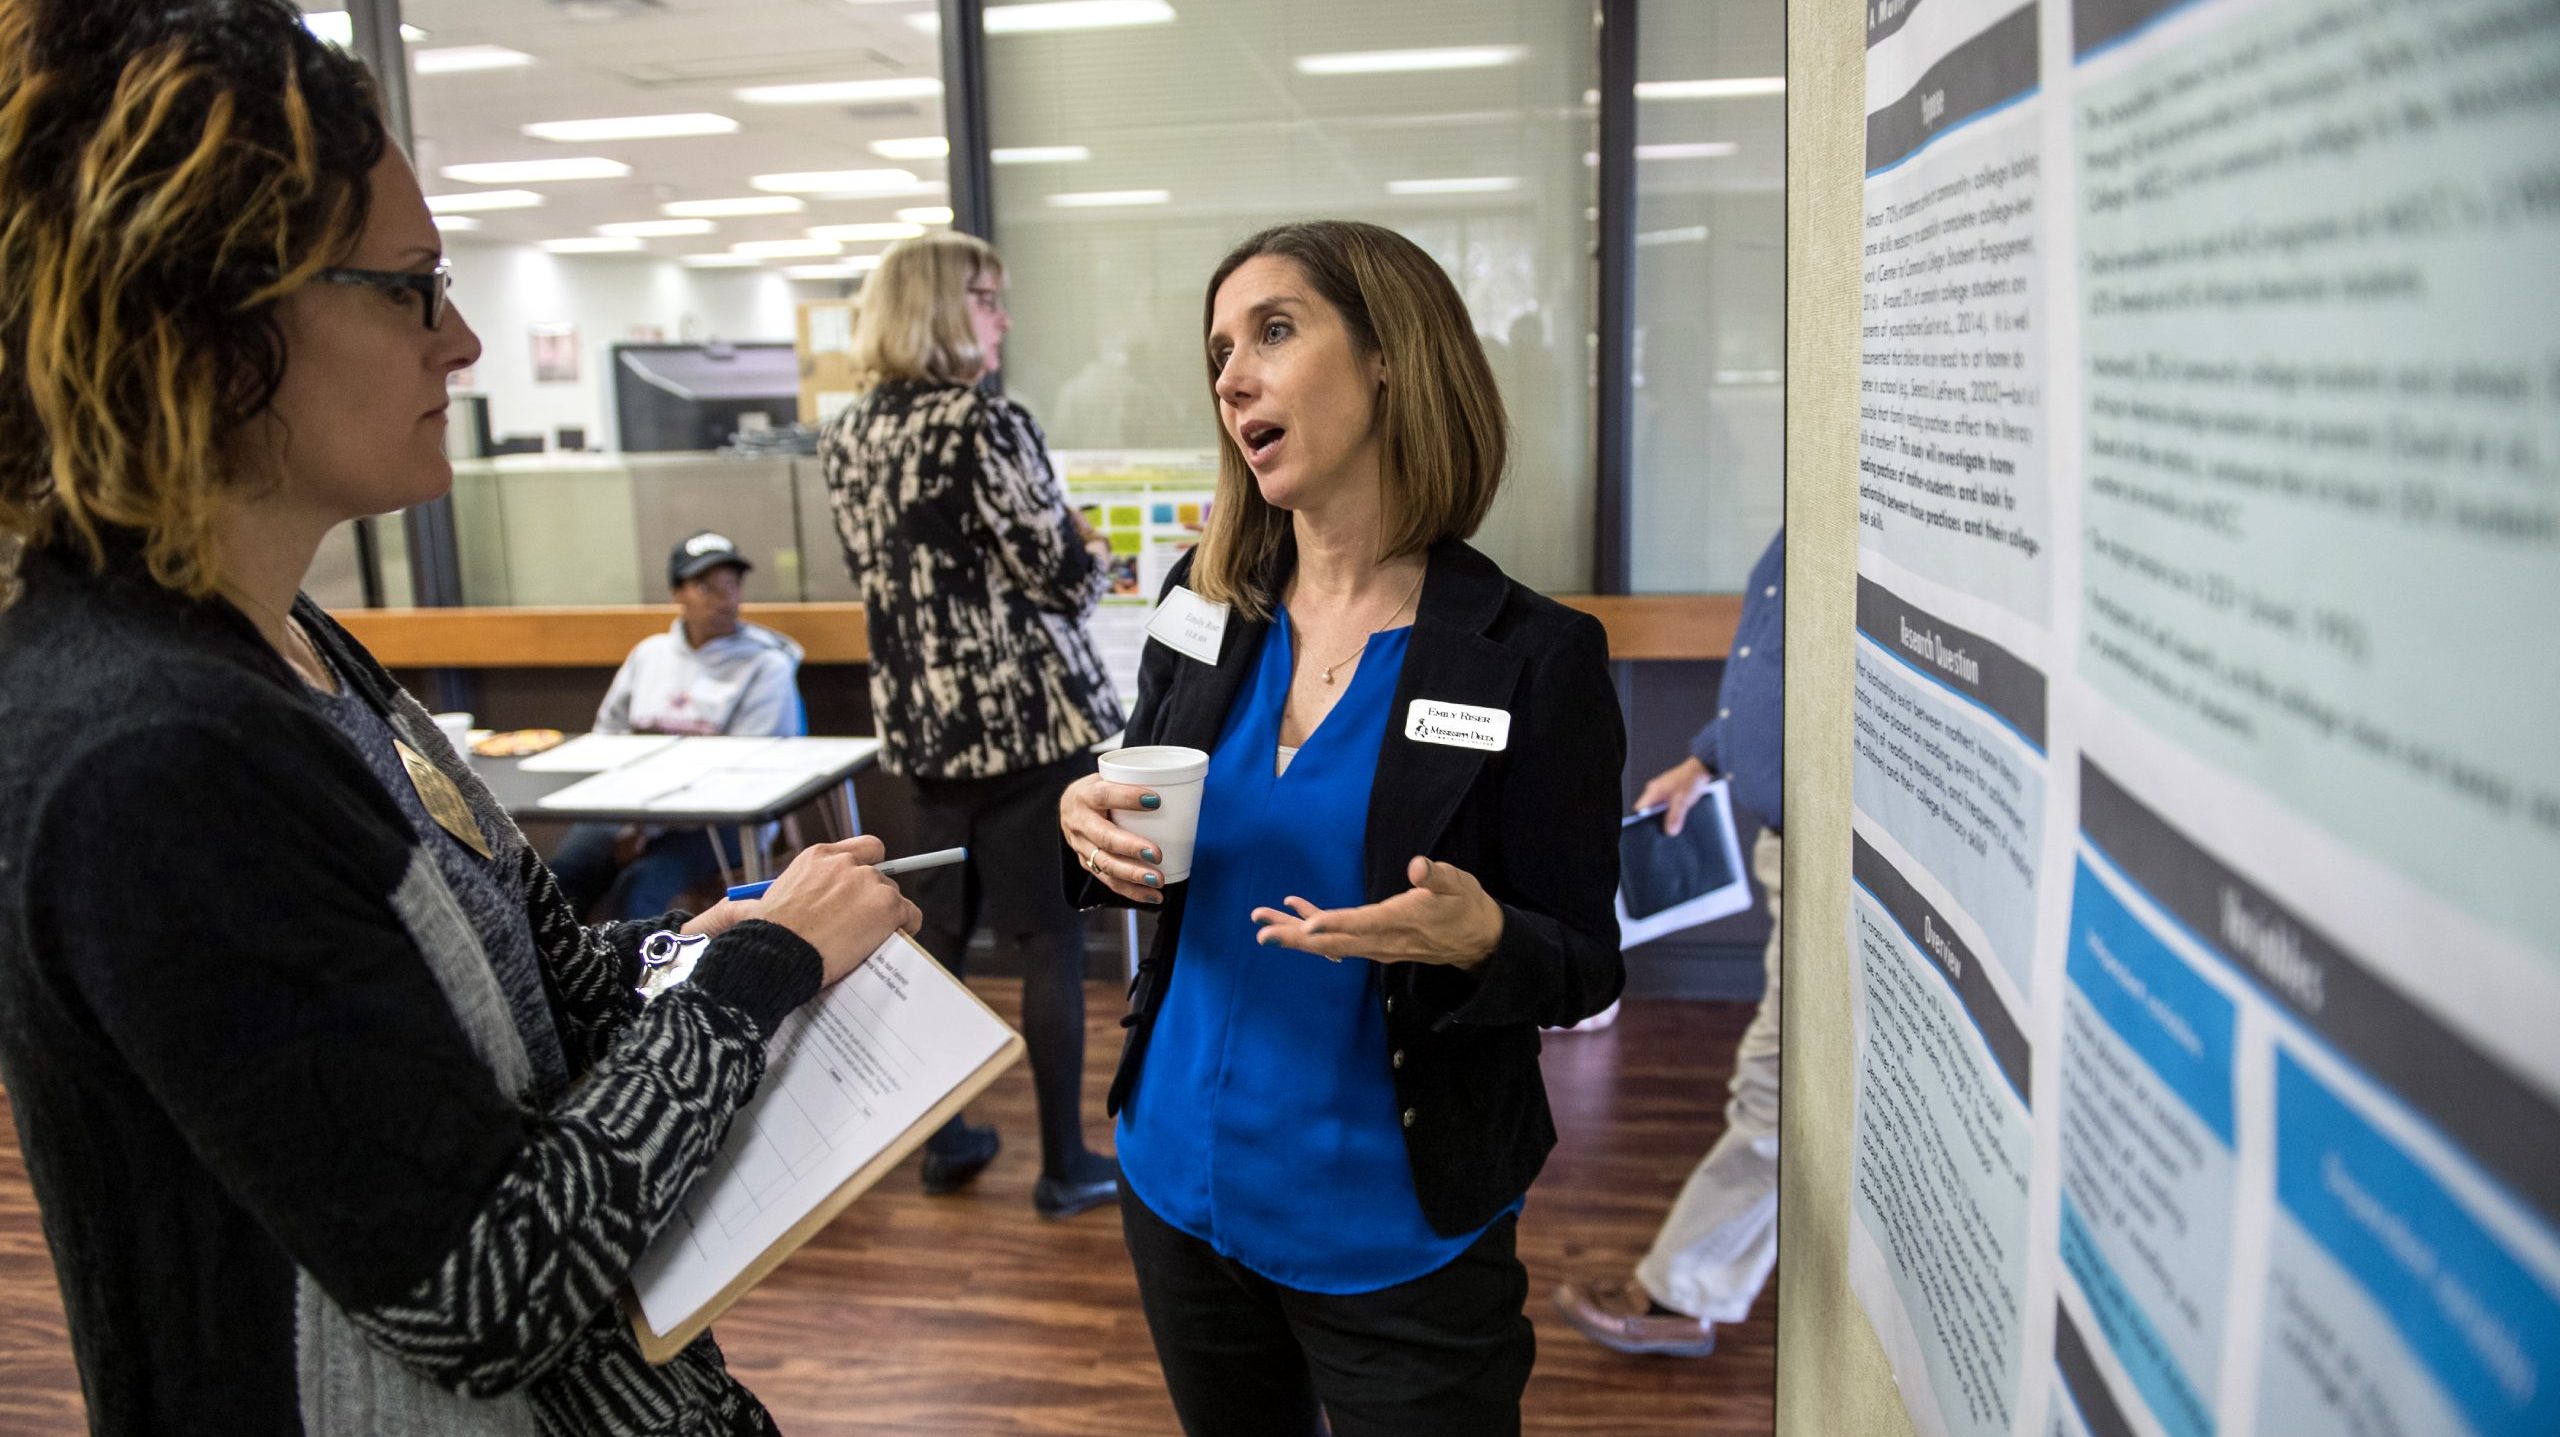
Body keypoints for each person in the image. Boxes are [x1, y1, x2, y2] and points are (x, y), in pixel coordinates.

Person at [0, 4, 922, 1430]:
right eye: (414, 286)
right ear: (212, 311)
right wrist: (759, 984)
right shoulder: (150, 755)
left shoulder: (296, 643)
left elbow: (524, 1003)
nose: (464, 338)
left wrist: (702, 949)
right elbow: (489, 1288)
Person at [1057, 220, 1627, 1437]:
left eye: (1273, 330)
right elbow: (1132, 839)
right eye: (1219, 350)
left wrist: (1483, 940)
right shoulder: (1201, 606)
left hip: (1397, 1228)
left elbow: (1582, 965)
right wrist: (1083, 825)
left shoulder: (1533, 657)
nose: (1231, 378)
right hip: (1175, 1183)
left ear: (1388, 360)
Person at [817, 231, 1126, 1218]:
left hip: (923, 728)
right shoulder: (982, 423)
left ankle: (945, 1139)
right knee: (1047, 942)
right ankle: (1066, 1165)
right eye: (986, 297)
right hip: (1027, 725)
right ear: (943, 310)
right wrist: (1085, 543)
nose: (1000, 318)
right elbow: (1062, 579)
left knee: (937, 939)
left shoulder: (847, 431)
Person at [1553, 527, 1784, 1357]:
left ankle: (1683, 1290)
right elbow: (1773, 657)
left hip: (1842, 859)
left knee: (1778, 1085)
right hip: (1783, 834)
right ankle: (1695, 1282)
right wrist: (1708, 759)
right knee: (1783, 1082)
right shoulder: (1807, 516)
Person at [547, 530, 806, 919]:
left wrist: (646, 830)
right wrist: (632, 823)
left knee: (640, 890)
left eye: (732, 585)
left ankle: (644, 980)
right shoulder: (649, 655)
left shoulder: (766, 665)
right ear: (677, 593)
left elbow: (750, 776)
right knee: (561, 881)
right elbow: (607, 739)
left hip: (722, 823)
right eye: (706, 587)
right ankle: (563, 975)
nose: (724, 599)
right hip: (631, 812)